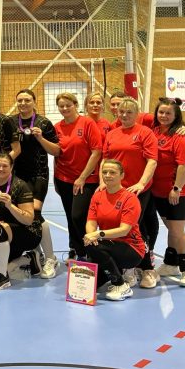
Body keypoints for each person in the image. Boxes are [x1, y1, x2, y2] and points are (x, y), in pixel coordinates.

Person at [103, 97, 159, 288]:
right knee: (119, 227)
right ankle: (128, 267)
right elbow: (106, 160)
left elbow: (152, 160)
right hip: (116, 189)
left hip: (137, 190)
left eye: (129, 112)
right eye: (121, 112)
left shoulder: (145, 133)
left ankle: (147, 268)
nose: (125, 115)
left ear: (136, 114)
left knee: (135, 228)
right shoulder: (112, 134)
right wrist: (103, 182)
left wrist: (141, 183)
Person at [12, 89, 60, 279]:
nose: (23, 103)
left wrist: (41, 138)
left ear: (34, 101)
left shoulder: (43, 122)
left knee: (35, 214)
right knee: (22, 215)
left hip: (38, 175)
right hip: (17, 176)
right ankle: (36, 253)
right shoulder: (11, 122)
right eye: (20, 100)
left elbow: (56, 151)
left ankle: (50, 258)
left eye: (27, 100)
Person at [83, 159, 146, 301]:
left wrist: (97, 234)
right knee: (90, 285)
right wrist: (90, 235)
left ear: (122, 175)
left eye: (112, 172)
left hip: (131, 248)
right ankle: (116, 273)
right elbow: (91, 221)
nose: (107, 175)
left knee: (95, 247)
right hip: (109, 244)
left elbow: (124, 230)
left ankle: (120, 285)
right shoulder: (98, 196)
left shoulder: (130, 198)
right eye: (104, 172)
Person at [151, 98, 185, 287]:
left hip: (177, 191)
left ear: (176, 116)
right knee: (171, 229)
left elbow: (184, 166)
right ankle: (170, 264)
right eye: (161, 112)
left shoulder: (180, 137)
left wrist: (176, 188)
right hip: (159, 191)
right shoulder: (154, 130)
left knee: (178, 231)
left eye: (168, 113)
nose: (164, 116)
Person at [53, 93, 102, 261]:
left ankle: (90, 248)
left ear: (76, 105)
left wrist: (82, 177)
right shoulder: (57, 127)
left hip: (85, 180)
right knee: (70, 216)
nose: (65, 108)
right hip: (63, 179)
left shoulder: (87, 123)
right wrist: (56, 179)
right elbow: (57, 154)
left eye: (68, 105)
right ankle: (77, 250)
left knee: (78, 216)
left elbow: (96, 152)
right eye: (61, 106)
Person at [0, 153, 41, 291]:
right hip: (2, 234)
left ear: (12, 167)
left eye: (5, 166)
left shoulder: (21, 186)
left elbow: (28, 219)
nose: (0, 169)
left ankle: (3, 278)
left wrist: (10, 206)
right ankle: (29, 258)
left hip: (27, 232)